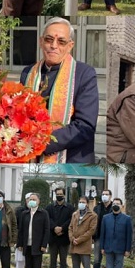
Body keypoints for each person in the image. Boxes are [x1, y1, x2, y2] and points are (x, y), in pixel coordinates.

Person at [21, 17, 98, 164]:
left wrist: (41, 143)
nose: (53, 45)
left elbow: (85, 126)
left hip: (70, 158)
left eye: (61, 41)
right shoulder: (28, 73)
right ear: (41, 41)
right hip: (29, 156)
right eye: (49, 40)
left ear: (70, 46)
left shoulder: (84, 74)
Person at [16, 194, 50, 268]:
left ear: (39, 201)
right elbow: (21, 230)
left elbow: (46, 230)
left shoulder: (43, 213)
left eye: (34, 200)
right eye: (30, 199)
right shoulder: (24, 214)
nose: (32, 201)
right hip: (27, 245)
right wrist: (20, 244)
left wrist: (44, 245)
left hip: (38, 246)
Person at [100, 198, 132, 268]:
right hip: (108, 248)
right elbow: (102, 233)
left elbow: (129, 235)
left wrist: (128, 249)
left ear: (121, 206)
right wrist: (102, 247)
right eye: (114, 204)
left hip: (120, 249)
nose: (115, 205)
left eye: (118, 204)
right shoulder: (105, 218)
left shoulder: (127, 219)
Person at [46, 189, 74, 268]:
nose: (59, 196)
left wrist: (62, 228)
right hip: (53, 238)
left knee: (63, 261)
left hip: (64, 238)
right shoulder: (49, 207)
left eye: (61, 194)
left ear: (64, 195)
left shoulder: (70, 208)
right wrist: (54, 228)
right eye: (57, 194)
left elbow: (71, 220)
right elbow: (48, 219)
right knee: (52, 261)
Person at [69, 198, 97, 268]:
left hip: (85, 246)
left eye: (83, 202)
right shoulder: (75, 214)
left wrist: (79, 240)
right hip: (74, 246)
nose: (81, 203)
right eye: (80, 202)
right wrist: (72, 238)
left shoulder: (93, 215)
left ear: (87, 204)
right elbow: (70, 227)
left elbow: (91, 230)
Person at [92, 191, 113, 268]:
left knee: (109, 260)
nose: (104, 196)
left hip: (110, 238)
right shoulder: (97, 208)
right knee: (96, 260)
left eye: (106, 194)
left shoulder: (113, 207)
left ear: (110, 196)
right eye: (103, 194)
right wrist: (93, 236)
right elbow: (93, 223)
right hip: (98, 237)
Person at [15, 195, 32, 268]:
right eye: (28, 199)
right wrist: (19, 243)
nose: (30, 201)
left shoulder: (40, 212)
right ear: (25, 200)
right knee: (20, 262)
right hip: (22, 241)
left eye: (32, 199)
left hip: (32, 242)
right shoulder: (20, 211)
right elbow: (17, 227)